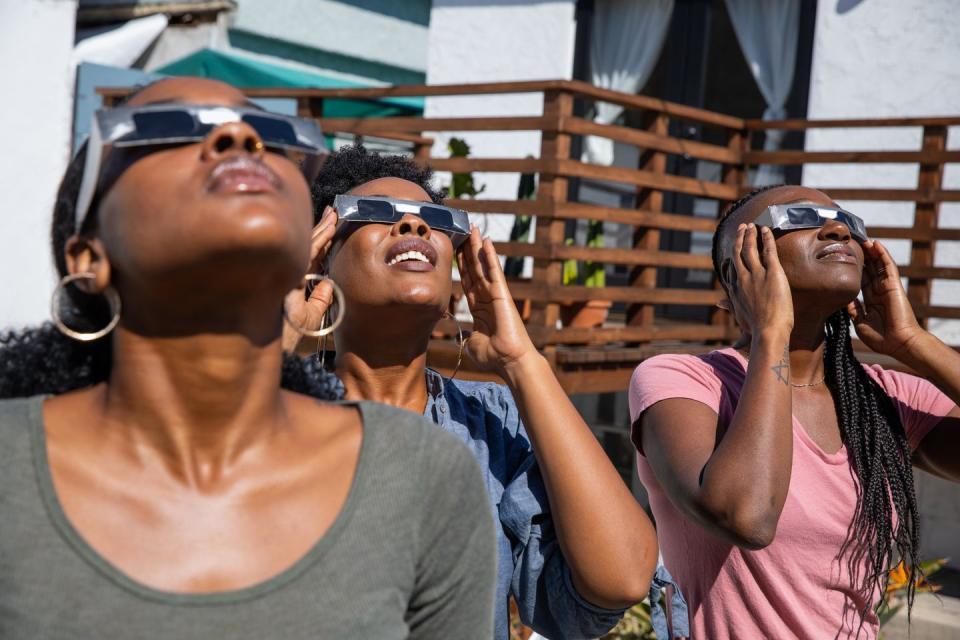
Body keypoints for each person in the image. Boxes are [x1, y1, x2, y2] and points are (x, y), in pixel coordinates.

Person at [0, 78, 496, 639]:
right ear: (90, 257)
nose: (240, 137)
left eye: (272, 133)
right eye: (168, 129)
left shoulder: (424, 477)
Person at [286, 144, 658, 640]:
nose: (414, 227)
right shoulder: (273, 407)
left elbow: (621, 578)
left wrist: (522, 363)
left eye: (434, 219)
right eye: (375, 212)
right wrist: (279, 348)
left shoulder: (491, 422)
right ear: (321, 257)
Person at [628, 184, 960, 639]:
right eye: (799, 216)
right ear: (738, 269)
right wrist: (771, 332)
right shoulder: (683, 382)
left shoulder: (883, 398)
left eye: (848, 222)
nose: (838, 229)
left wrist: (914, 343)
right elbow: (747, 517)